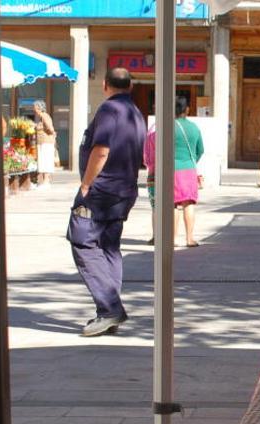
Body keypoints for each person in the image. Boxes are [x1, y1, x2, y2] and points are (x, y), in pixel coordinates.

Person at [67, 67, 146, 338]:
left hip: (101, 191)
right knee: (109, 247)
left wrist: (86, 184)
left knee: (83, 242)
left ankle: (110, 308)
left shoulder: (109, 110)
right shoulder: (136, 113)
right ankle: (110, 310)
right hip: (124, 190)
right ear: (131, 85)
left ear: (104, 85)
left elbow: (101, 150)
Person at [144, 97, 205, 247]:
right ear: (187, 110)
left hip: (171, 170)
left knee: (174, 205)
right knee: (189, 203)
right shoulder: (194, 128)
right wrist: (190, 161)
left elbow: (157, 149)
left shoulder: (165, 127)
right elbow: (200, 150)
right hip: (189, 169)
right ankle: (190, 238)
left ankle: (172, 239)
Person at [34, 100, 57, 190]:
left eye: (35, 107)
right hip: (43, 142)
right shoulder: (41, 117)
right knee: (43, 161)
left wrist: (52, 133)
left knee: (46, 161)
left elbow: (50, 128)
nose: (34, 110)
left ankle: (46, 182)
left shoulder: (44, 116)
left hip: (46, 142)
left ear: (39, 108)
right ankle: (44, 181)